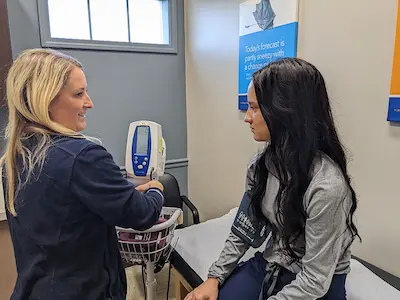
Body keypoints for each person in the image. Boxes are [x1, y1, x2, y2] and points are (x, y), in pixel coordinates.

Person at [184, 58, 361, 300]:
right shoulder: (260, 167)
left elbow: (315, 281)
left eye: (254, 108)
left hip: (319, 283)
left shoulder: (327, 187)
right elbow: (244, 229)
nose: (247, 117)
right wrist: (215, 278)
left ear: (285, 111)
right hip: (274, 262)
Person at [0, 48, 165, 300]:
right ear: (46, 100)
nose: (89, 102)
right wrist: (155, 189)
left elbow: (64, 211)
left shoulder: (17, 157)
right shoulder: (83, 156)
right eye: (79, 94)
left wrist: (124, 192)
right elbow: (142, 215)